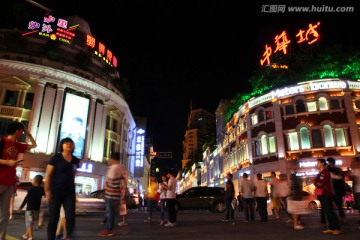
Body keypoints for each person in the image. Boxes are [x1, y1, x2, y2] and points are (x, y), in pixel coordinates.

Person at [0, 121, 37, 240]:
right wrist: (6, 162)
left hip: (9, 182)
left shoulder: (19, 145)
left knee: (4, 215)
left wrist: (28, 133)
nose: (22, 133)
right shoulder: (2, 141)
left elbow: (34, 145)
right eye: (21, 131)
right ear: (17, 131)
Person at [45, 137, 80, 240]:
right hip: (55, 191)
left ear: (73, 146)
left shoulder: (76, 160)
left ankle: (68, 236)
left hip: (69, 192)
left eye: (71, 143)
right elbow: (48, 175)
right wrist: (47, 191)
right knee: (53, 218)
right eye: (66, 143)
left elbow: (73, 175)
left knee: (70, 217)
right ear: (62, 145)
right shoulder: (56, 158)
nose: (69, 144)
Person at [98, 152, 123, 236]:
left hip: (110, 193)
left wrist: (106, 186)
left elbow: (109, 180)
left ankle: (108, 229)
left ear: (112, 158)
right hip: (116, 194)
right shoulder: (120, 167)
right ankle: (107, 223)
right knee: (110, 211)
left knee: (109, 212)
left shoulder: (113, 168)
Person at [314, 158, 341, 235]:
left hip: (326, 194)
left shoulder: (325, 172)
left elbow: (321, 183)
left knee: (329, 211)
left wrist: (317, 182)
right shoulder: (320, 172)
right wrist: (317, 182)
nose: (317, 164)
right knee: (326, 211)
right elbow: (316, 182)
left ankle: (337, 228)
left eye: (318, 163)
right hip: (322, 194)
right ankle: (331, 228)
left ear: (322, 163)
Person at [18, 174, 45, 240]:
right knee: (31, 223)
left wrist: (21, 207)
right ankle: (25, 235)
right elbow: (46, 195)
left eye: (33, 179)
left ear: (35, 181)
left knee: (29, 223)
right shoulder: (42, 189)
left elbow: (26, 198)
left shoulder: (31, 189)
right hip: (37, 209)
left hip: (30, 208)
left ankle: (30, 237)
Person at [327, 157, 348, 225]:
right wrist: (345, 190)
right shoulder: (339, 170)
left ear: (330, 163)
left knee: (330, 207)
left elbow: (330, 181)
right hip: (340, 190)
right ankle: (343, 219)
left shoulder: (329, 170)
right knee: (339, 206)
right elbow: (342, 180)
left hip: (333, 190)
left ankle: (338, 220)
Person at [350, 157, 360, 224]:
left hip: (358, 190)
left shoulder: (356, 170)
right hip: (357, 190)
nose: (351, 164)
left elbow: (355, 180)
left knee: (359, 205)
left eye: (353, 162)